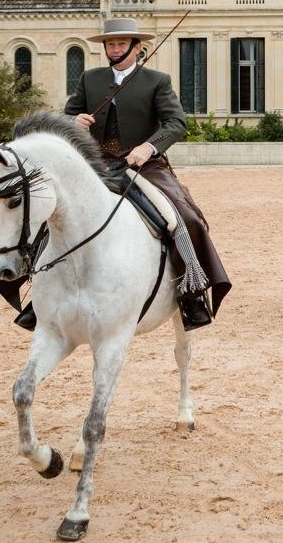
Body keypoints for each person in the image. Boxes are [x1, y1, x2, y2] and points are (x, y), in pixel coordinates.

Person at [64, 17, 229, 331]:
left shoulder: (156, 80)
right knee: (54, 208)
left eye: (120, 44)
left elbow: (176, 123)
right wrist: (74, 122)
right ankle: (38, 286)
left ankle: (191, 292)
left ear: (136, 48)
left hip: (144, 163)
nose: (114, 49)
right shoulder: (90, 78)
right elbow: (70, 112)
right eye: (110, 44)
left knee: (184, 216)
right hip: (96, 163)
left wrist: (148, 147)